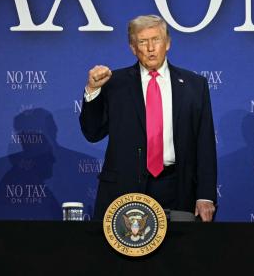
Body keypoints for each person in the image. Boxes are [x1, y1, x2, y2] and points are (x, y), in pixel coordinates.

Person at [79, 14, 217, 221]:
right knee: (125, 251)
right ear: (133, 48)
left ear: (168, 43)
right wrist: (92, 90)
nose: (151, 48)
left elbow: (204, 143)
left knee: (181, 252)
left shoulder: (194, 85)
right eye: (143, 42)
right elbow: (92, 132)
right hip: (124, 189)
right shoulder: (114, 83)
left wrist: (205, 195)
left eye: (156, 39)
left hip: (177, 188)